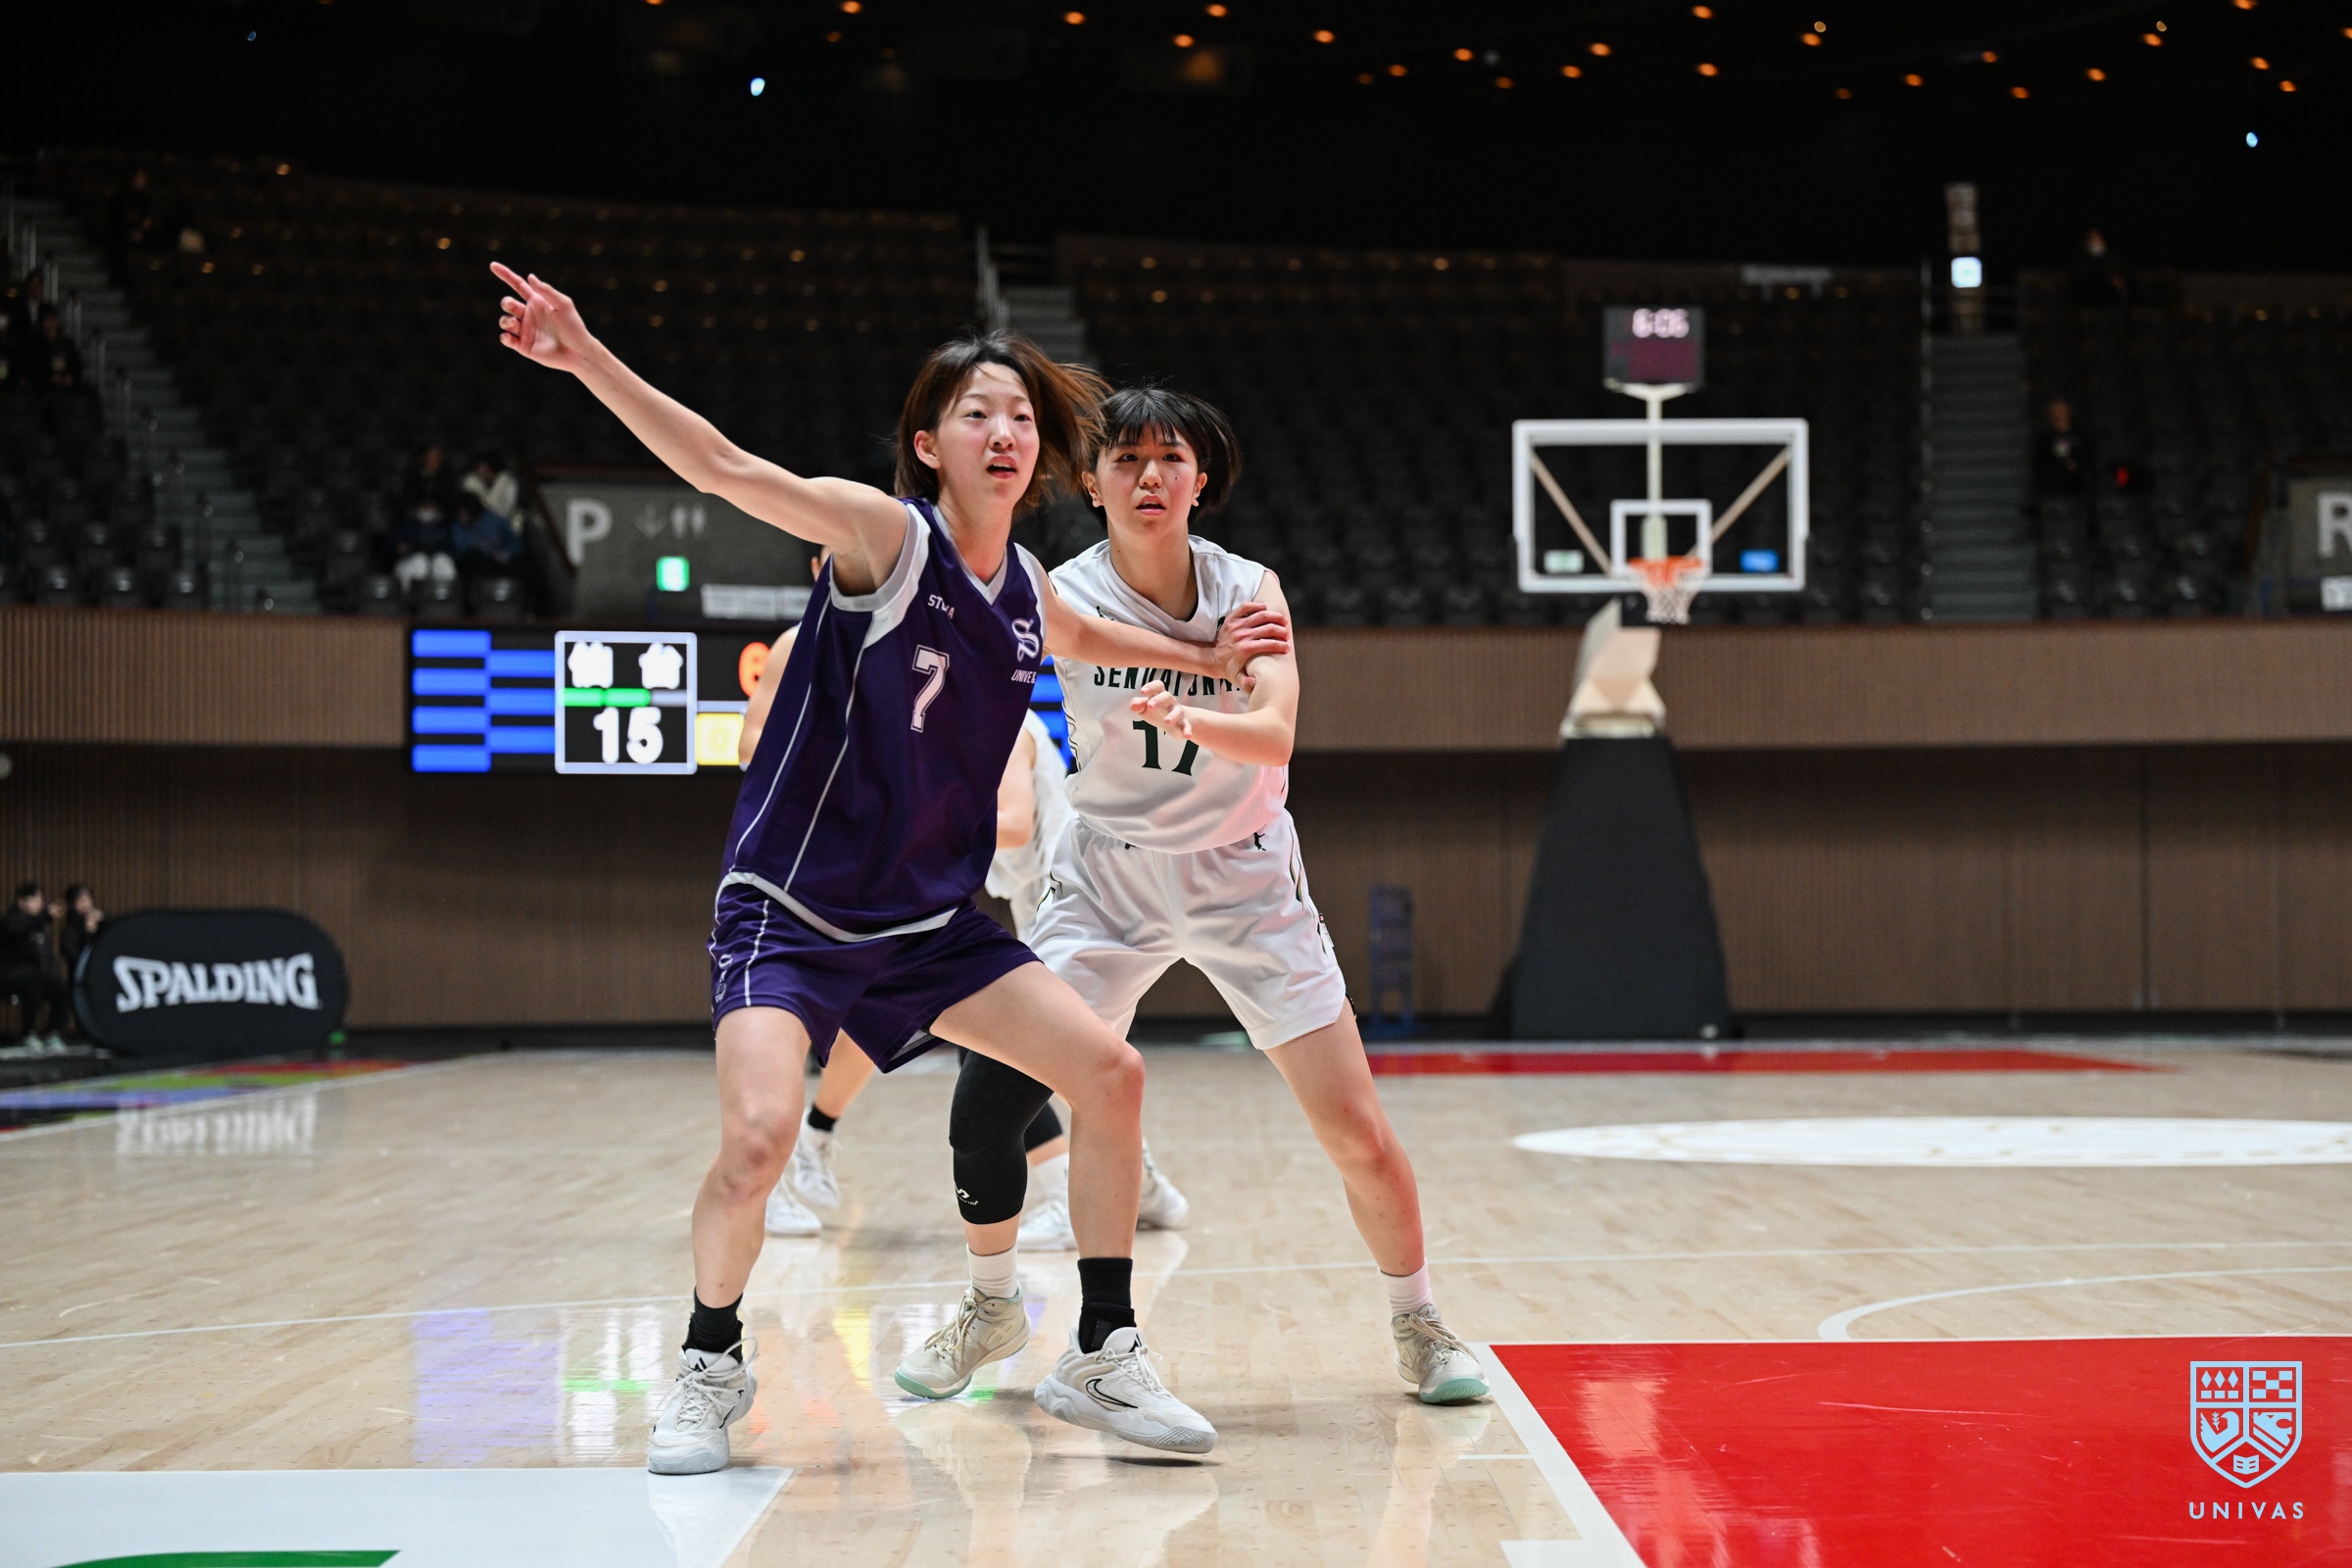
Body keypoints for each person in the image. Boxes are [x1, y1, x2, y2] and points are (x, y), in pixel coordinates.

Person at [493, 262, 1290, 1471]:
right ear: (929, 445)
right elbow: (722, 466)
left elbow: (1106, 637)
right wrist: (585, 354)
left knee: (1111, 1073)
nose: (1005, 431)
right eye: (977, 413)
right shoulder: (885, 535)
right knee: (759, 1141)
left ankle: (1103, 1348)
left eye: (1020, 416)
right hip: (792, 909)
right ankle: (709, 1361)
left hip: (928, 927)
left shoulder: (1027, 591)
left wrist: (1220, 662)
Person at [928, 387, 1489, 1409]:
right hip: (1109, 877)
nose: (1150, 476)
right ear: (1091, 481)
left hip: (1244, 873)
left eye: (1171, 459)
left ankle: (1420, 1322)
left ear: (1201, 479)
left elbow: (1275, 733)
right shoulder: (1061, 592)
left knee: (1355, 1130)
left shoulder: (1248, 589)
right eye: (1127, 459)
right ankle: (992, 1302)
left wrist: (1188, 718)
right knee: (988, 1099)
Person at [736, 586, 1188, 1245]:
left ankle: (1095, 1188)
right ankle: (809, 1143)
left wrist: (913, 818)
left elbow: (1013, 824)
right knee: (965, 1030)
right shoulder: (841, 670)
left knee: (1034, 1055)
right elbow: (756, 748)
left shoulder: (997, 725)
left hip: (1069, 897)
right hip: (952, 888)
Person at [1, 882, 70, 1050]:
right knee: (33, 984)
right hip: (10, 975)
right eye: (35, 899)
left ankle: (53, 1033)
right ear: (21, 901)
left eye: (41, 899)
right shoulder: (11, 919)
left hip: (35, 975)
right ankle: (27, 1033)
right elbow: (17, 930)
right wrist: (46, 915)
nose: (40, 903)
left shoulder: (39, 926)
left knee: (59, 988)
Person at [2034, 399, 2089, 498]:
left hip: (2077, 488)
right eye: (2055, 411)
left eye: (2061, 410)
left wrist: (2077, 465)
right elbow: (2040, 462)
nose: (2059, 414)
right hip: (2053, 489)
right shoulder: (2046, 438)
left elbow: (2087, 457)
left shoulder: (2080, 435)